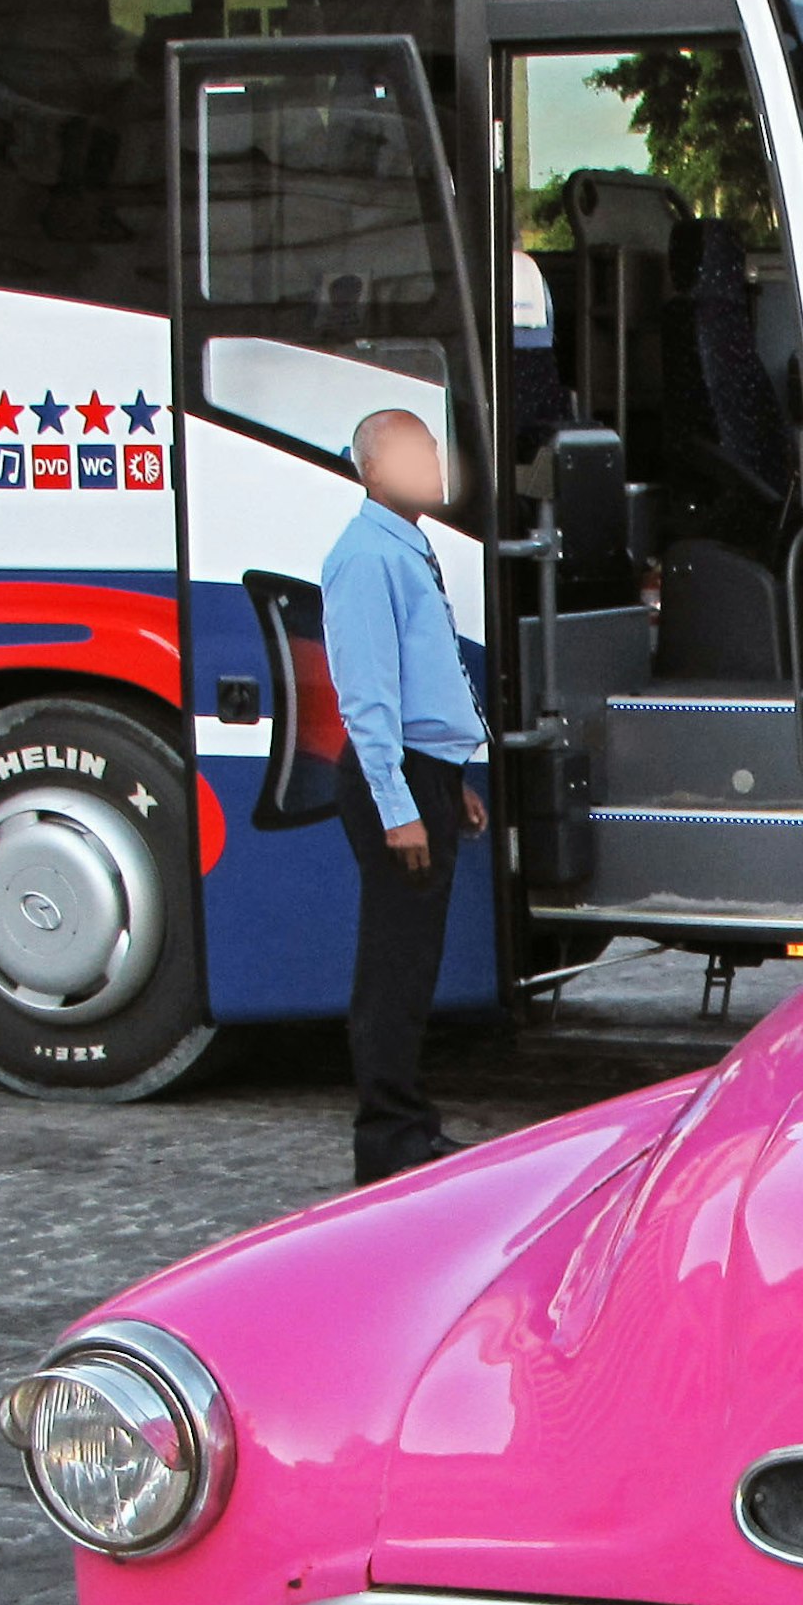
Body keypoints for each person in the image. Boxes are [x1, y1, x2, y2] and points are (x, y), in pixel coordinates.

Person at [322, 407, 490, 1183]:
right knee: (392, 966)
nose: (432, 460)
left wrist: (451, 784)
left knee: (413, 961)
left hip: (428, 776)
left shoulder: (406, 546)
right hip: (397, 781)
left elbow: (425, 679)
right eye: (413, 450)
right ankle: (386, 1141)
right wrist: (400, 807)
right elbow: (369, 699)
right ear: (373, 470)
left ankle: (409, 1124)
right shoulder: (366, 558)